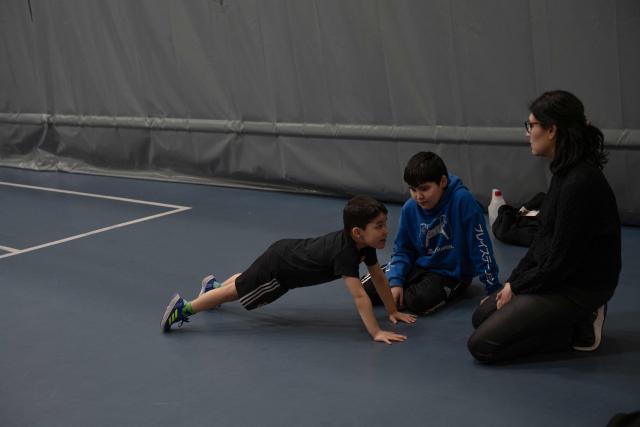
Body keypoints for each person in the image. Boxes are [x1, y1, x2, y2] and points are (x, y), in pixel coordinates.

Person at [467, 90, 621, 363]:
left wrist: (519, 288)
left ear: (551, 130)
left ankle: (581, 323)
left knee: (482, 346)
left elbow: (560, 262)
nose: (528, 133)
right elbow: (543, 240)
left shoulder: (580, 183)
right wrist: (513, 281)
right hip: (560, 275)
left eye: (531, 125)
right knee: (481, 317)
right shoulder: (562, 173)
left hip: (581, 287)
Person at [161, 195, 417, 344]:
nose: (385, 231)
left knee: (246, 281)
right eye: (379, 226)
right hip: (280, 272)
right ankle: (184, 307)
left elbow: (379, 278)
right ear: (358, 233)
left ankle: (212, 288)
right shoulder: (347, 253)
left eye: (385, 224)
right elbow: (360, 296)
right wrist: (375, 331)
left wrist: (393, 311)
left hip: (283, 253)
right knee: (237, 292)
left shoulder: (363, 245)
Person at [362, 151, 502, 315]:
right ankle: (407, 286)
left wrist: (493, 288)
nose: (418, 196)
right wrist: (395, 282)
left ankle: (419, 289)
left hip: (451, 274)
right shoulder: (410, 208)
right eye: (413, 190)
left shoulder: (463, 201)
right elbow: (403, 249)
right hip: (419, 265)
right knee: (366, 289)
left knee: (418, 301)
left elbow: (480, 245)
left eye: (424, 189)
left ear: (442, 181)